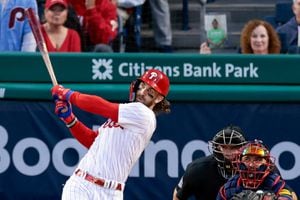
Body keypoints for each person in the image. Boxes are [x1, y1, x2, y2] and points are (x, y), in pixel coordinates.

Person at [51, 69, 171, 199]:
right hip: (81, 185)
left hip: (112, 193)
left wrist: (68, 94)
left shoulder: (144, 115)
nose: (142, 92)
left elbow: (102, 106)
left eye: (150, 91)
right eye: (142, 86)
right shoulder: (127, 112)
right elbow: (93, 141)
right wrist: (70, 119)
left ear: (159, 98)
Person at [173, 125, 247, 200]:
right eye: (224, 146)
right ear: (218, 147)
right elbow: (178, 195)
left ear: (243, 147)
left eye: (233, 147)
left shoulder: (254, 170)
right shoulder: (198, 169)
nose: (228, 152)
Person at [217, 140, 294, 200]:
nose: (251, 164)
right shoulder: (229, 188)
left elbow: (288, 197)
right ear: (240, 162)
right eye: (247, 159)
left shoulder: (275, 183)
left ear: (267, 162)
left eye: (258, 160)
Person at [200, 19, 281, 54]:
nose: (258, 40)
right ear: (248, 40)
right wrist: (206, 59)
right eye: (254, 36)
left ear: (269, 39)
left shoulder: (280, 62)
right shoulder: (240, 65)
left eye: (262, 36)